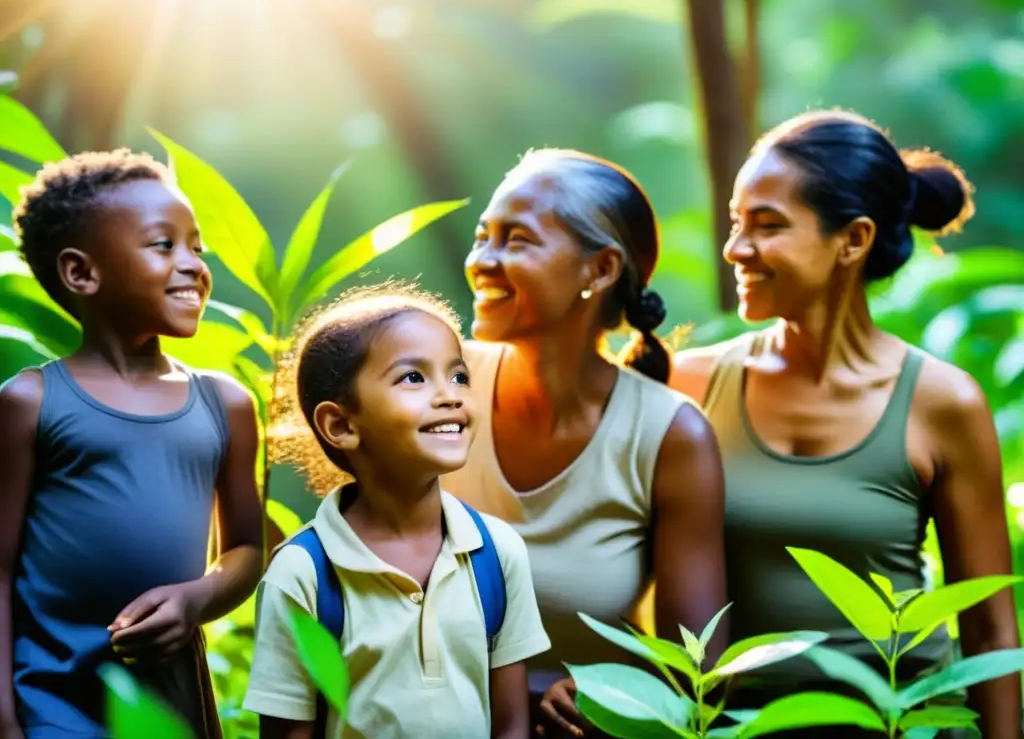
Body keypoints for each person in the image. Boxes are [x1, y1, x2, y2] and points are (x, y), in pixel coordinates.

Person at [670, 109, 1021, 737]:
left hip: (897, 726)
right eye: (735, 222)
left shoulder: (941, 404)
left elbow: (990, 625)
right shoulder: (688, 385)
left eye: (767, 225)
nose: (734, 249)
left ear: (852, 240)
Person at [439, 149, 728, 737]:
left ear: (599, 270)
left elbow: (704, 674)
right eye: (482, 237)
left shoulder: (670, 433)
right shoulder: (438, 385)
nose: (481, 261)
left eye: (515, 239)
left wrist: (609, 692)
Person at [0, 150, 264, 739]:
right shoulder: (29, 403)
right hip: (52, 705)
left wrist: (197, 599)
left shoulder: (226, 405)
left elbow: (246, 549)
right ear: (82, 274)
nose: (193, 264)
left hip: (173, 709)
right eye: (163, 245)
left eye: (197, 246)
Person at [243, 283, 551, 739]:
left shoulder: (497, 554)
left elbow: (511, 727)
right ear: (342, 425)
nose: (450, 395)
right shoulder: (304, 574)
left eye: (459, 376)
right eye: (413, 377)